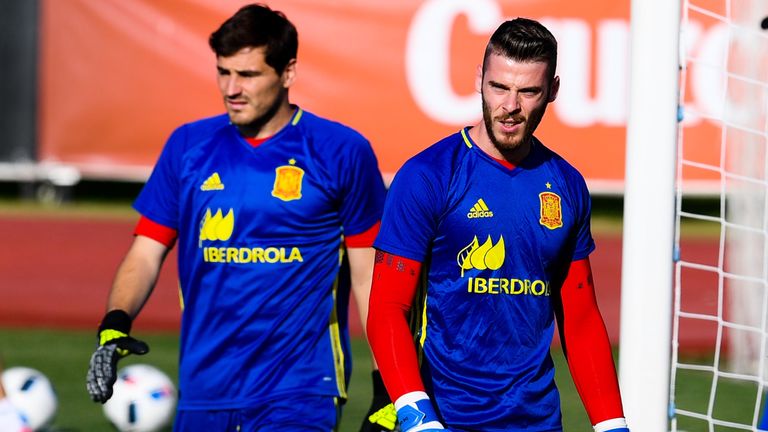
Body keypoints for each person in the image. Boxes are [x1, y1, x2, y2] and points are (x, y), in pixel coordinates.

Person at [85, 4, 393, 431]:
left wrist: (388, 388)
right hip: (203, 389)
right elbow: (145, 251)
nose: (232, 88)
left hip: (300, 391)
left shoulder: (341, 151)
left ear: (287, 72)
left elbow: (370, 277)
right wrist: (115, 323)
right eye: (223, 72)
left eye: (248, 75)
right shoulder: (187, 146)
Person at [367, 17, 629, 432]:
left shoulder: (566, 184)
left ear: (553, 92)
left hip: (538, 422)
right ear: (479, 80)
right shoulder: (428, 176)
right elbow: (386, 310)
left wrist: (612, 424)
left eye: (528, 91)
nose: (510, 106)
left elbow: (579, 319)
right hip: (445, 418)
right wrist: (418, 417)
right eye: (499, 87)